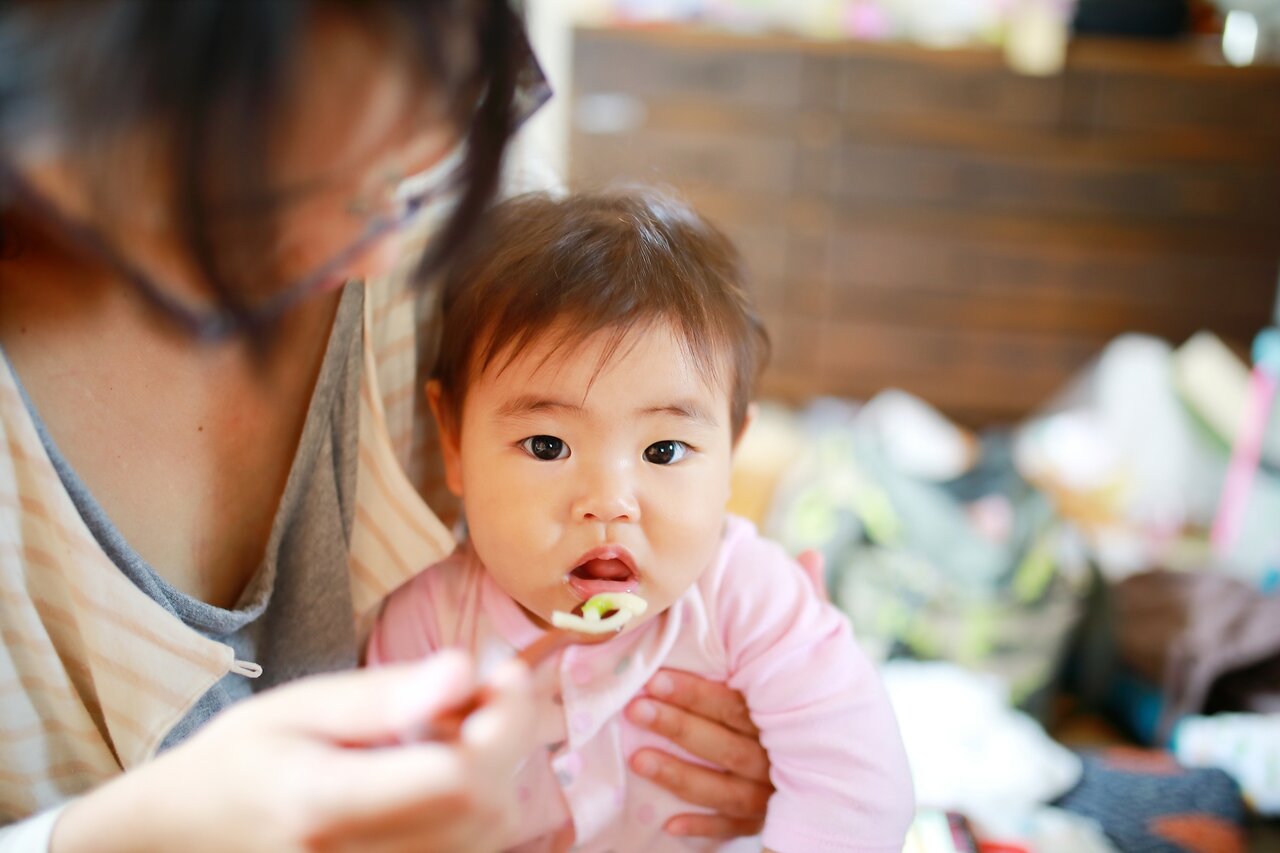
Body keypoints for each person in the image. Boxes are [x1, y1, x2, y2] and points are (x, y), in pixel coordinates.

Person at [0, 3, 780, 850]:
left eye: (406, 177)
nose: (378, 255)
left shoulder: (442, 228)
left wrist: (747, 751)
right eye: (286, 186)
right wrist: (110, 838)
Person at [367, 190, 915, 851]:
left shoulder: (748, 596)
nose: (608, 500)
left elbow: (858, 785)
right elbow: (379, 818)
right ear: (453, 441)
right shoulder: (429, 627)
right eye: (548, 445)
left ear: (731, 458)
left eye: (663, 451)